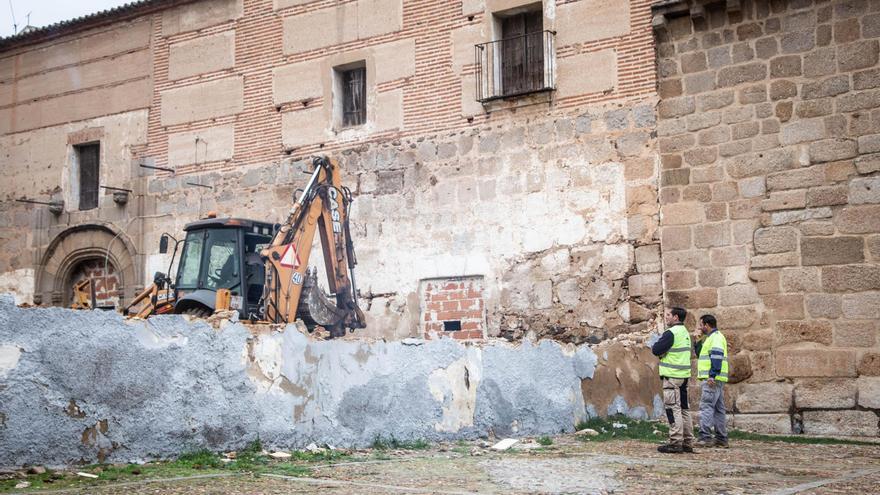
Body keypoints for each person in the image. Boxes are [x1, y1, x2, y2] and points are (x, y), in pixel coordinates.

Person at [651, 307, 694, 454]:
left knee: (672, 408)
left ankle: (676, 441)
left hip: (672, 376)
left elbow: (656, 349)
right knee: (684, 409)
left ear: (676, 317)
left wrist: (663, 354)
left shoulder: (671, 333)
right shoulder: (685, 333)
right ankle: (688, 441)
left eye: (668, 315)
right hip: (684, 376)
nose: (666, 317)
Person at [694, 314, 730, 449]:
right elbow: (700, 355)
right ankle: (721, 438)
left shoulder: (715, 338)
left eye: (701, 324)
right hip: (716, 379)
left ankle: (705, 437)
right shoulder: (710, 338)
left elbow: (716, 357)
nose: (699, 327)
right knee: (719, 409)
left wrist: (712, 375)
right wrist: (697, 341)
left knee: (707, 406)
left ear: (706, 325)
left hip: (712, 380)